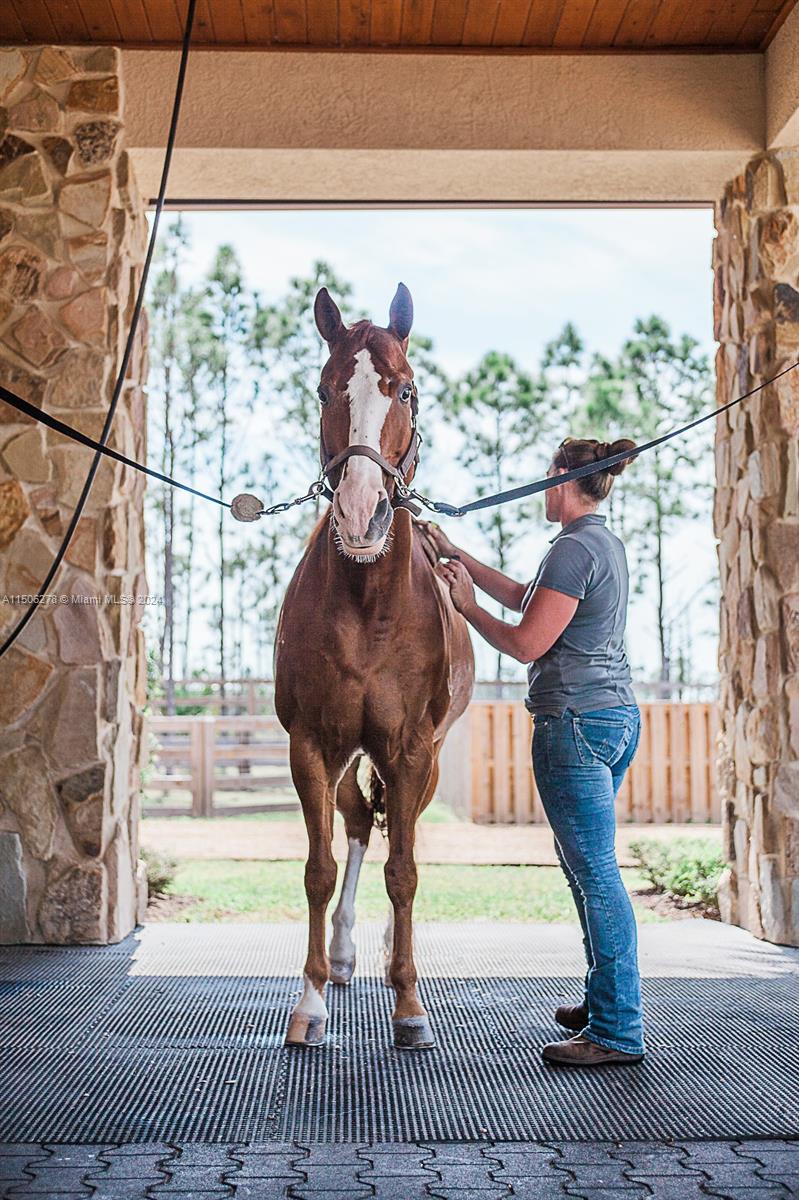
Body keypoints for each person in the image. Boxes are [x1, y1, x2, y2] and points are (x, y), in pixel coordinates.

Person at [430, 436, 644, 1068]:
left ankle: (614, 1030)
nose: (542, 489)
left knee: (597, 875)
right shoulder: (597, 544)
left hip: (573, 724)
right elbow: (530, 597)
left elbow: (526, 643)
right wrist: (458, 554)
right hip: (612, 718)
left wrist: (464, 605)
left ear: (560, 480)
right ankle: (605, 999)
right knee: (589, 870)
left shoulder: (575, 549)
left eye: (546, 477)